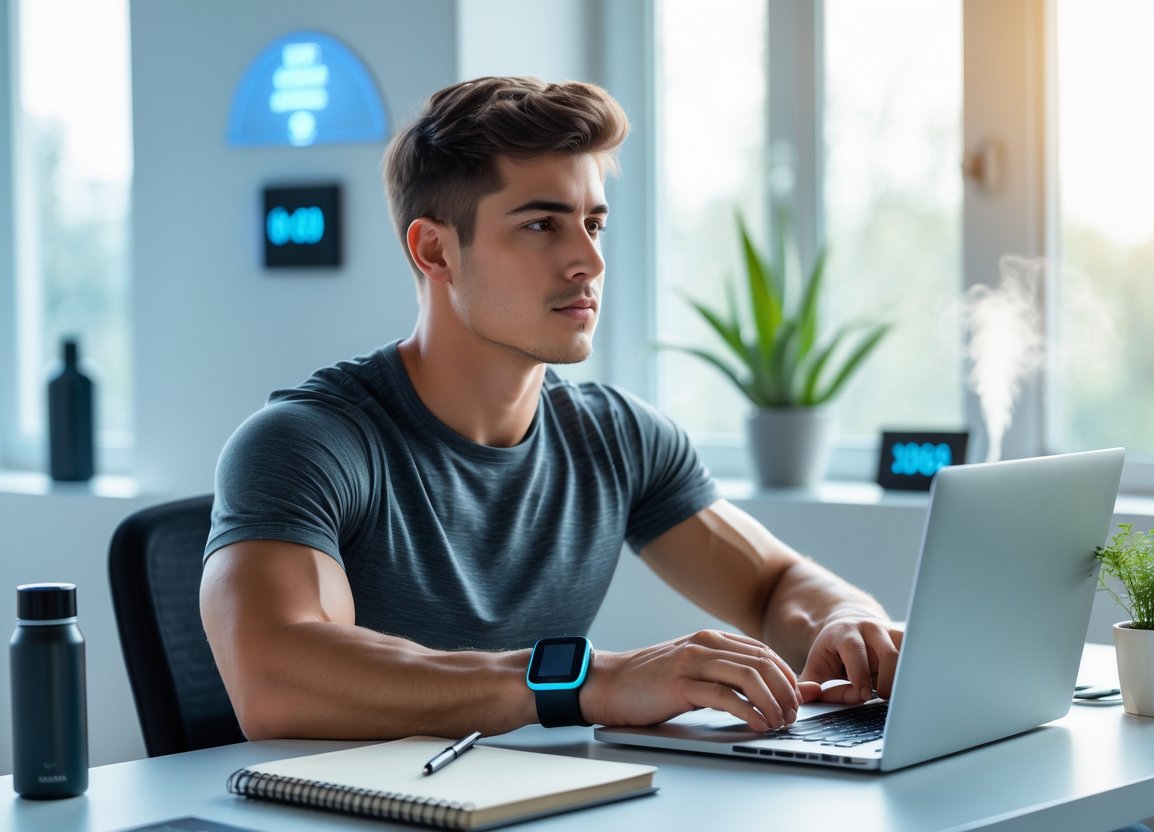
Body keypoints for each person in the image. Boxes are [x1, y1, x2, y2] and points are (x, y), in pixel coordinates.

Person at [200, 76, 902, 742]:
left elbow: (774, 584)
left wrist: (847, 621)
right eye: (542, 225)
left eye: (593, 224)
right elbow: (275, 681)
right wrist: (586, 680)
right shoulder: (308, 443)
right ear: (434, 249)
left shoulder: (615, 435)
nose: (588, 261)